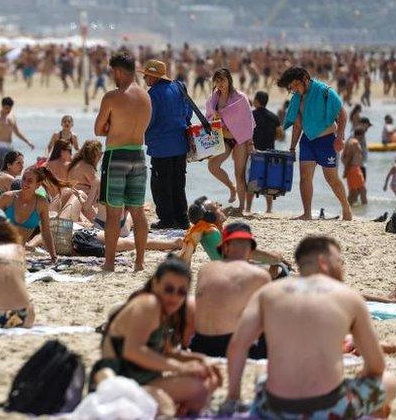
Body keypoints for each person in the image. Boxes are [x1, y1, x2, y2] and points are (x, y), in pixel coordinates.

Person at [225, 235, 396, 418]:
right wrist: (362, 375)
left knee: (261, 378)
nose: (342, 267)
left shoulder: (267, 293)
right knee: (390, 382)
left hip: (274, 409)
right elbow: (376, 366)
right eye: (339, 261)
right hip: (330, 409)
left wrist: (233, 396)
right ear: (324, 262)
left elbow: (237, 346)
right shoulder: (349, 297)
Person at [90, 257, 220, 415]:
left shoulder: (164, 310)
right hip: (120, 381)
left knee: (209, 379)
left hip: (139, 379)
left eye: (181, 292)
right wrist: (182, 367)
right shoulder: (149, 305)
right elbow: (132, 350)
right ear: (155, 283)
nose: (175, 297)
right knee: (199, 387)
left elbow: (167, 351)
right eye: (169, 289)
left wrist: (199, 360)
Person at [95, 52, 152, 271]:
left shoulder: (112, 97)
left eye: (112, 72)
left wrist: (112, 125)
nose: (112, 77)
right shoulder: (146, 97)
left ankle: (109, 263)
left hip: (116, 155)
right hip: (138, 155)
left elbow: (98, 128)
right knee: (137, 212)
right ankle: (139, 263)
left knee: (113, 212)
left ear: (118, 71)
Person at [279, 66, 352, 220]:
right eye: (292, 88)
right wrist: (292, 147)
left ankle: (346, 207)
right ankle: (307, 213)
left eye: (296, 85)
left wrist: (340, 138)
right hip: (308, 141)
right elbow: (297, 124)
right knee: (305, 176)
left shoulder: (325, 91)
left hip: (327, 141)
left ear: (305, 78)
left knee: (331, 178)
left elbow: (342, 113)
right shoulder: (297, 98)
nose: (295, 90)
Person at [189, 223, 271, 359]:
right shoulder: (259, 275)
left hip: (199, 343)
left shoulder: (205, 269)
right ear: (251, 250)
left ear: (225, 247)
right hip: (227, 346)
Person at [142, 59, 192, 230]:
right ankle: (183, 218)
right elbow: (188, 112)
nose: (145, 80)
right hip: (180, 143)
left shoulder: (152, 94)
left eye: (146, 76)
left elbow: (149, 120)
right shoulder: (179, 87)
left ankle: (167, 219)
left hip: (161, 147)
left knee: (161, 184)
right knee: (179, 182)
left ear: (153, 76)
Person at [206, 68, 256, 213]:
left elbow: (248, 121)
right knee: (213, 166)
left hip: (240, 139)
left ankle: (241, 207)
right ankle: (231, 188)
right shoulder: (213, 99)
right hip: (223, 138)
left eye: (222, 80)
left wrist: (250, 143)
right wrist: (214, 118)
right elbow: (208, 119)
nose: (220, 83)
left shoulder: (240, 97)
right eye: (217, 80)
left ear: (229, 80)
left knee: (239, 174)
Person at [0, 166, 58, 264]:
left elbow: (46, 231)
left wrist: (53, 256)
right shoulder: (8, 197)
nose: (25, 183)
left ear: (38, 185)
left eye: (30, 181)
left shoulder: (41, 203)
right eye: (23, 179)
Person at [249, 90, 283, 212]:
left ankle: (248, 208)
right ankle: (269, 209)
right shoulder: (273, 117)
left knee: (253, 179)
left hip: (255, 152)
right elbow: (280, 134)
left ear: (256, 101)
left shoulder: (251, 115)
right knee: (268, 181)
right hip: (270, 153)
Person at [0, 97, 34, 170]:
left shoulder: (12, 117)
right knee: (3, 167)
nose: (9, 110)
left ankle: (0, 181)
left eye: (10, 108)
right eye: (7, 108)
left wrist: (28, 142)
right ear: (2, 106)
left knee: (10, 169)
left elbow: (17, 132)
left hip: (10, 146)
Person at [342, 126, 368, 205]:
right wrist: (346, 170)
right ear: (361, 134)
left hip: (353, 169)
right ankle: (365, 211)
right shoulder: (354, 143)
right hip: (354, 169)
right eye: (363, 135)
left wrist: (346, 169)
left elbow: (344, 157)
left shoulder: (350, 141)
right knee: (363, 190)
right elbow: (349, 157)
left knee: (354, 192)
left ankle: (347, 209)